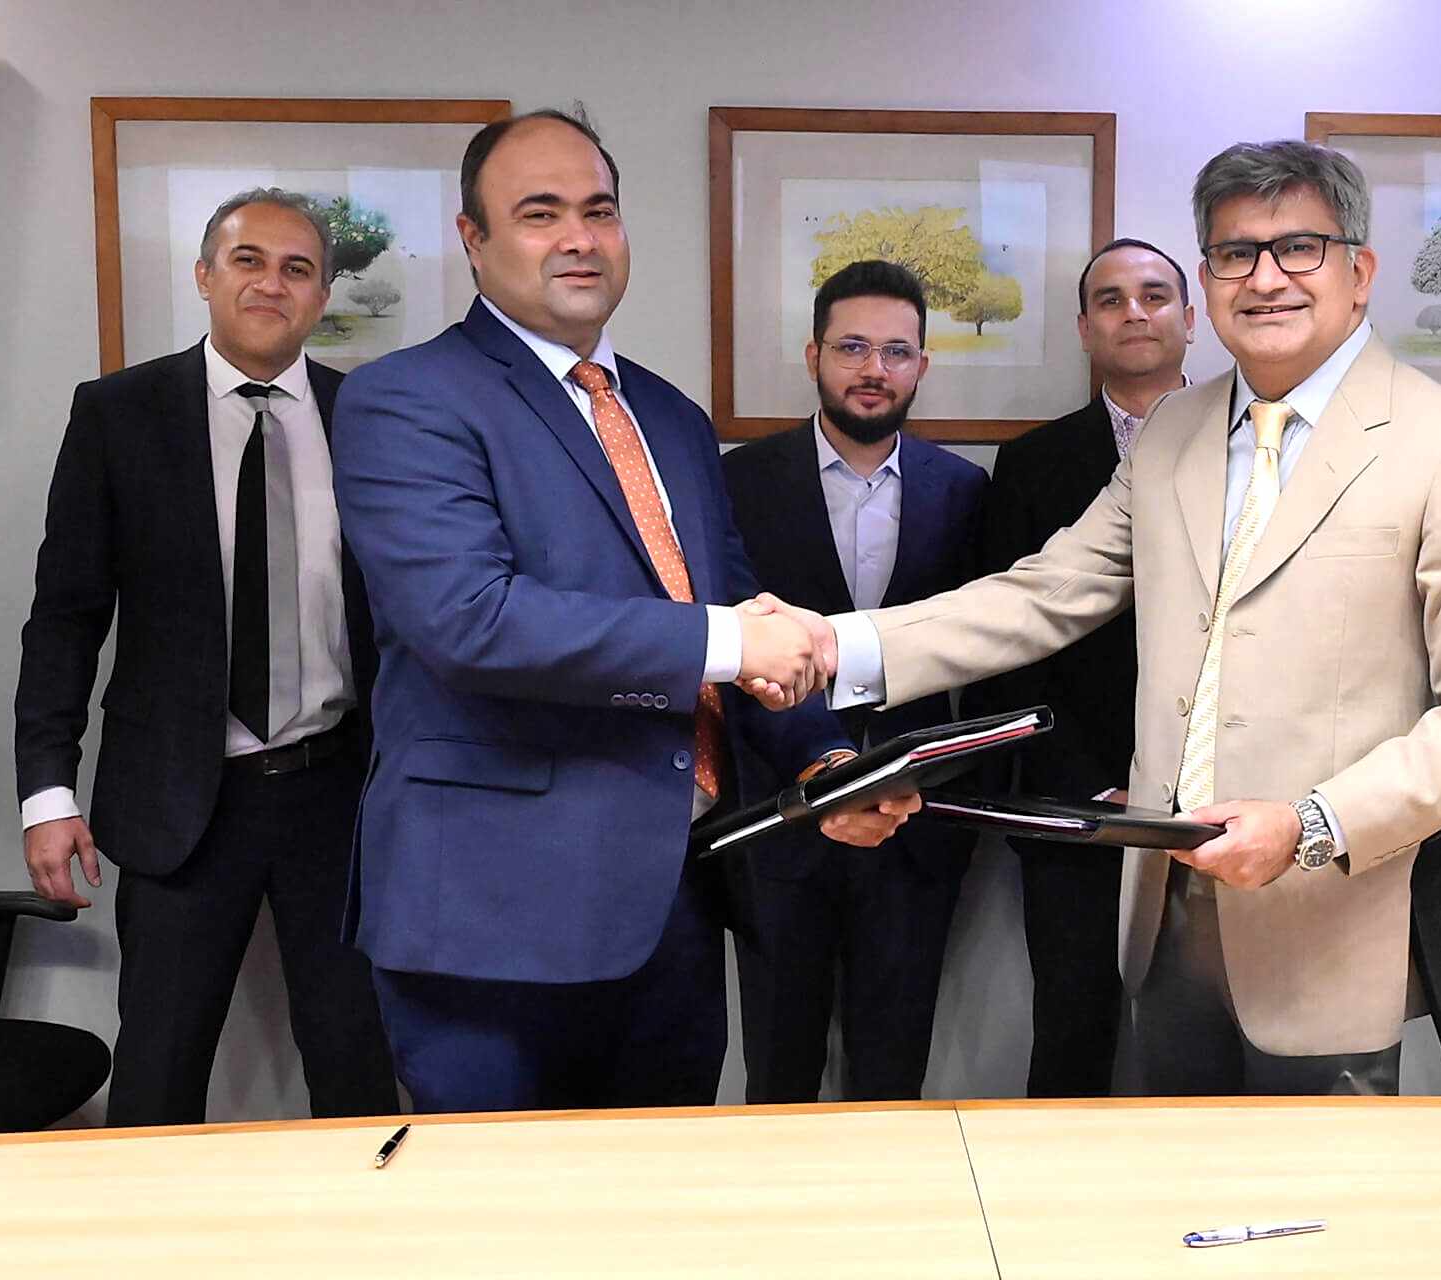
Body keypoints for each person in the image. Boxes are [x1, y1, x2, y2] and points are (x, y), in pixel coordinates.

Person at [759, 139, 1441, 1096]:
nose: (1264, 278)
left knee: (1313, 1224)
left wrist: (1312, 823)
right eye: (1233, 253)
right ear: (1211, 280)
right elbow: (1046, 593)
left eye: (1298, 247)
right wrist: (833, 643)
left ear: (1360, 271)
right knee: (1174, 1207)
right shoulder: (1173, 431)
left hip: (1323, 913)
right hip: (1162, 904)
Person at [329, 109, 910, 1114]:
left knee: (656, 1222)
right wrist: (734, 640)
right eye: (539, 213)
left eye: (598, 210)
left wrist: (824, 761)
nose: (579, 237)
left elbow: (727, 603)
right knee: (499, 1228)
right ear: (475, 239)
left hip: (675, 905)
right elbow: (471, 618)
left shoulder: (670, 416)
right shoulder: (406, 399)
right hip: (490, 919)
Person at [15, 189, 396, 1126]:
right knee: (158, 1072)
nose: (272, 282)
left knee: (358, 1066)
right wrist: (47, 792)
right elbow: (65, 615)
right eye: (248, 260)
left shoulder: (375, 420)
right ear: (204, 276)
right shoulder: (119, 413)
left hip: (339, 796)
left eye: (298, 268)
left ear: (322, 295)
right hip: (179, 796)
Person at [722, 260, 986, 1102]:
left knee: (893, 1066)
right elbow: (723, 653)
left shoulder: (963, 490)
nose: (874, 369)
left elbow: (981, 658)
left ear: (921, 366)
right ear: (814, 357)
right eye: (854, 347)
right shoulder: (737, 483)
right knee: (779, 1065)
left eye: (897, 351)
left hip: (915, 828)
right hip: (777, 819)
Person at [965, 238, 1193, 1097]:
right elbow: (1008, 650)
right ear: (1084, 328)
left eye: (1154, 294)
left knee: (1211, 1034)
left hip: (1224, 800)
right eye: (1110, 299)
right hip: (1074, 802)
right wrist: (1079, 783)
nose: (1134, 312)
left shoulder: (1262, 451)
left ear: (1190, 317)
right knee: (1073, 1025)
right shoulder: (1032, 464)